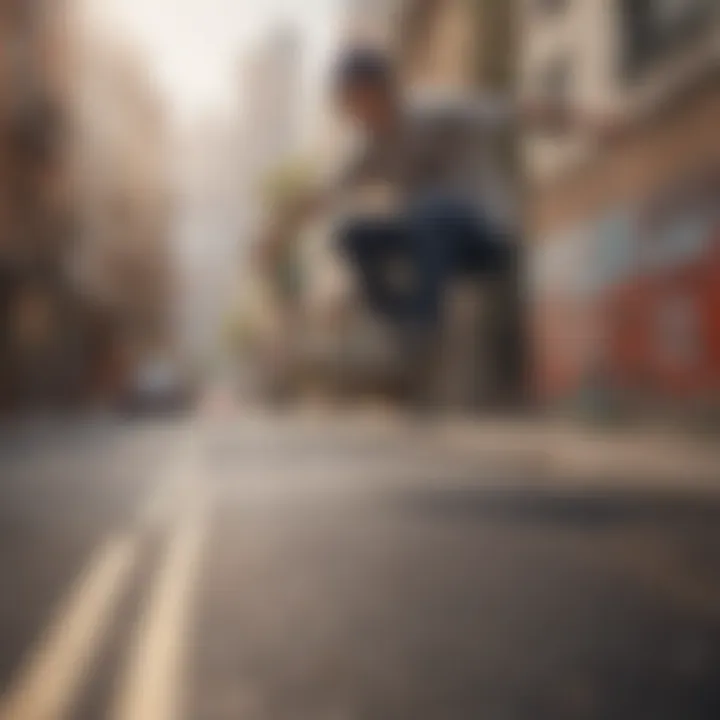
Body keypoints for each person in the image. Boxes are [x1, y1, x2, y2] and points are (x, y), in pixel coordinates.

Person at [318, 47, 622, 403]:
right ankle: (398, 327)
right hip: (431, 242)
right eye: (351, 104)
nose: (359, 113)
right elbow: (323, 194)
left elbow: (519, 112)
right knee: (352, 233)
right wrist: (274, 237)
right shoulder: (367, 148)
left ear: (384, 89)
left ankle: (422, 327)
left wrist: (587, 120)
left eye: (362, 99)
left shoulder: (439, 111)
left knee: (431, 206)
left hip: (485, 237)